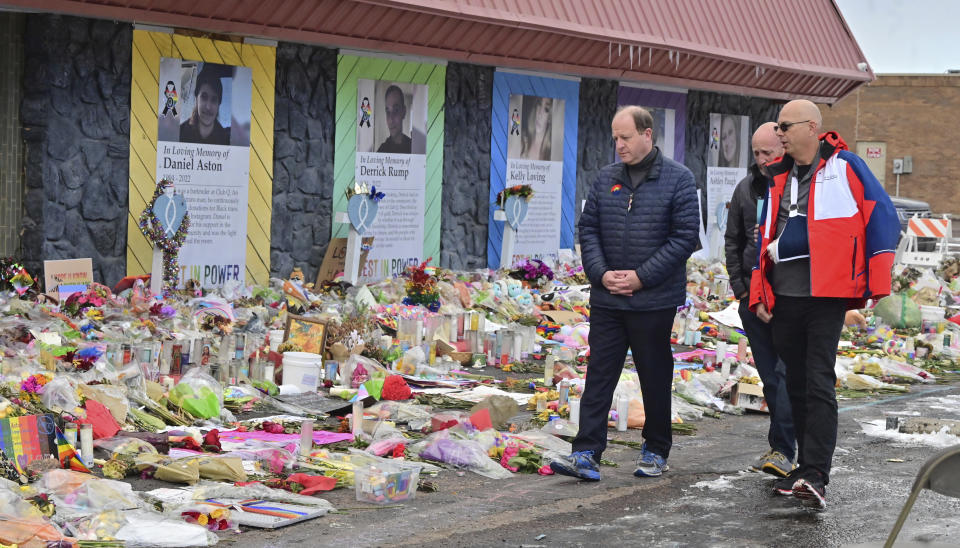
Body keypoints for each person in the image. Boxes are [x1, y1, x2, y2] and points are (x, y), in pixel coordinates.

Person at [750, 100, 899, 509]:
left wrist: (874, 280)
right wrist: (759, 291)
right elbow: (764, 238)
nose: (778, 133)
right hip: (787, 297)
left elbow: (882, 215)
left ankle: (817, 471)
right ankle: (802, 466)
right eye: (777, 127)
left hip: (827, 296)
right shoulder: (777, 176)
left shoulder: (845, 167)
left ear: (812, 127)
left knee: (818, 380)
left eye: (784, 126)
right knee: (793, 383)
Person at [550, 106, 699, 481]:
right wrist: (601, 275)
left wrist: (640, 278)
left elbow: (684, 239)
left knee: (654, 374)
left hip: (653, 299)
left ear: (647, 135)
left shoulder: (679, 180)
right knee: (600, 373)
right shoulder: (605, 179)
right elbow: (589, 230)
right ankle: (585, 452)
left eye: (626, 137)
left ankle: (655, 448)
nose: (619, 145)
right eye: (615, 138)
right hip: (609, 299)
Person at [724, 122, 796, 478]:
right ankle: (779, 447)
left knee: (787, 376)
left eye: (768, 152)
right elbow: (732, 242)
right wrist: (741, 291)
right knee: (770, 378)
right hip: (753, 301)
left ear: (784, 149)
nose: (762, 159)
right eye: (756, 153)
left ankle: (786, 450)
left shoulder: (797, 188)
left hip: (790, 298)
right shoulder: (746, 190)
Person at [180, 67, 230, 146]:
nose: (208, 107)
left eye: (214, 100)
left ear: (218, 104)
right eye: (204, 97)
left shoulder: (227, 141)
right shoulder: (180, 134)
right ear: (196, 98)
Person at [376, 85, 412, 154]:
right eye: (388, 112)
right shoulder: (381, 151)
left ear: (403, 112)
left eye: (396, 110)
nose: (391, 119)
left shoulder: (413, 147)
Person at [520, 96, 553, 161]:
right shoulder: (522, 140)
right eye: (539, 104)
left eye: (546, 109)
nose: (540, 113)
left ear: (550, 117)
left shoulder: (551, 153)